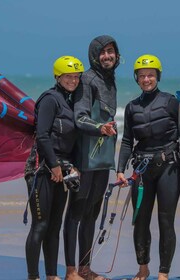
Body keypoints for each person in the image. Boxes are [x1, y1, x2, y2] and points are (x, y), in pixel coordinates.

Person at [116, 54, 180, 280]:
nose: (146, 79)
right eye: (142, 76)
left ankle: (164, 273)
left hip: (169, 168)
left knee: (165, 221)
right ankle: (143, 268)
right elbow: (126, 141)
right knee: (140, 222)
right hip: (142, 170)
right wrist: (120, 169)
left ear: (158, 76)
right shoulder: (132, 107)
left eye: (150, 75)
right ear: (137, 78)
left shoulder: (172, 102)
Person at [63, 35, 120, 280]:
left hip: (102, 158)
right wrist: (101, 128)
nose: (107, 56)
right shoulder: (87, 79)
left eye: (111, 51)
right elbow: (81, 116)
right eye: (103, 52)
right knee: (76, 213)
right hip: (84, 157)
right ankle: (70, 271)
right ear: (94, 55)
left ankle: (85, 269)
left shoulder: (110, 80)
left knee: (92, 213)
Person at [24, 56, 84, 280]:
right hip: (41, 169)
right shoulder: (50, 99)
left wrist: (73, 167)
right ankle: (33, 276)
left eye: (76, 77)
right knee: (40, 225)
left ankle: (51, 275)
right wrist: (54, 165)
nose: (73, 80)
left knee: (54, 226)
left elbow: (71, 142)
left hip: (62, 169)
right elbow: (42, 135)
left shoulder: (70, 102)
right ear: (58, 77)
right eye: (69, 76)